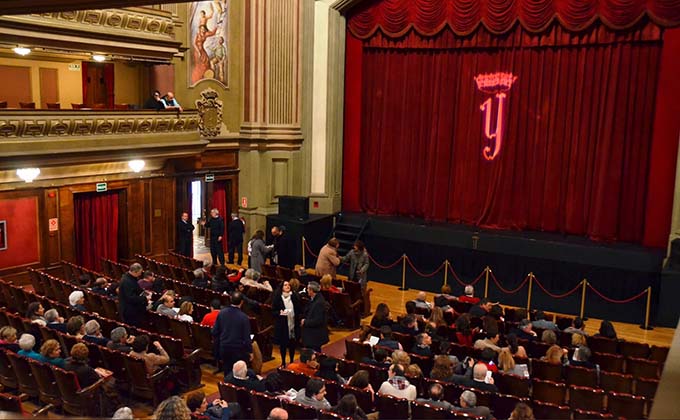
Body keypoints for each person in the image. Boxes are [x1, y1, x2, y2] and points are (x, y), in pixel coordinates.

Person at [212, 291, 253, 373]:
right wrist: (250, 351)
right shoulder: (244, 317)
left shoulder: (222, 313)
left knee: (227, 372)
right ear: (242, 302)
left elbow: (215, 331)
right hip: (238, 350)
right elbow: (246, 337)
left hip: (224, 348)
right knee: (239, 374)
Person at [272, 280, 301, 367]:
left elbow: (299, 309)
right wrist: (280, 313)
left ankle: (292, 361)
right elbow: (273, 311)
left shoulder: (294, 296)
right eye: (285, 285)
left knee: (292, 343)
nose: (287, 286)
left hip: (292, 323)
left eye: (288, 285)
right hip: (282, 324)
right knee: (283, 344)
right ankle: (283, 362)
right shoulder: (278, 297)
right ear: (282, 288)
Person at [301, 281, 329, 351]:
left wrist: (305, 322)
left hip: (315, 336)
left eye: (308, 289)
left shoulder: (319, 303)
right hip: (312, 335)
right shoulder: (314, 299)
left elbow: (318, 320)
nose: (307, 290)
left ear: (311, 290)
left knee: (315, 353)